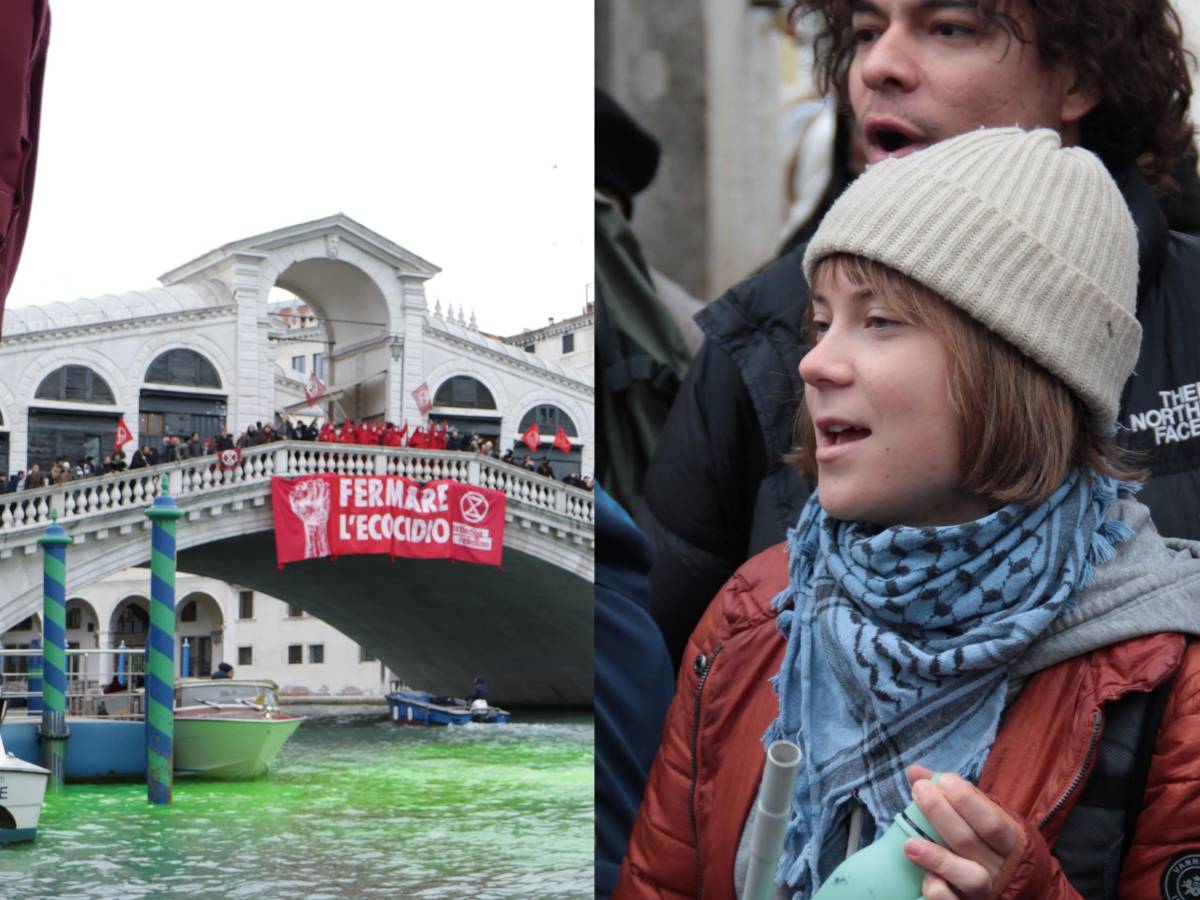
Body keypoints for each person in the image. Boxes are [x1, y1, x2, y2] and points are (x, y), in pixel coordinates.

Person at [617, 129, 1200, 900]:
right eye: (820, 321)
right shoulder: (751, 616)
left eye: (880, 320)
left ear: (1020, 366)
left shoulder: (1169, 681)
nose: (815, 362)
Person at [642, 0, 1200, 673]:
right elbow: (673, 688)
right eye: (866, 32)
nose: (878, 66)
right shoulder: (755, 343)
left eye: (950, 29)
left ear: (1079, 76)